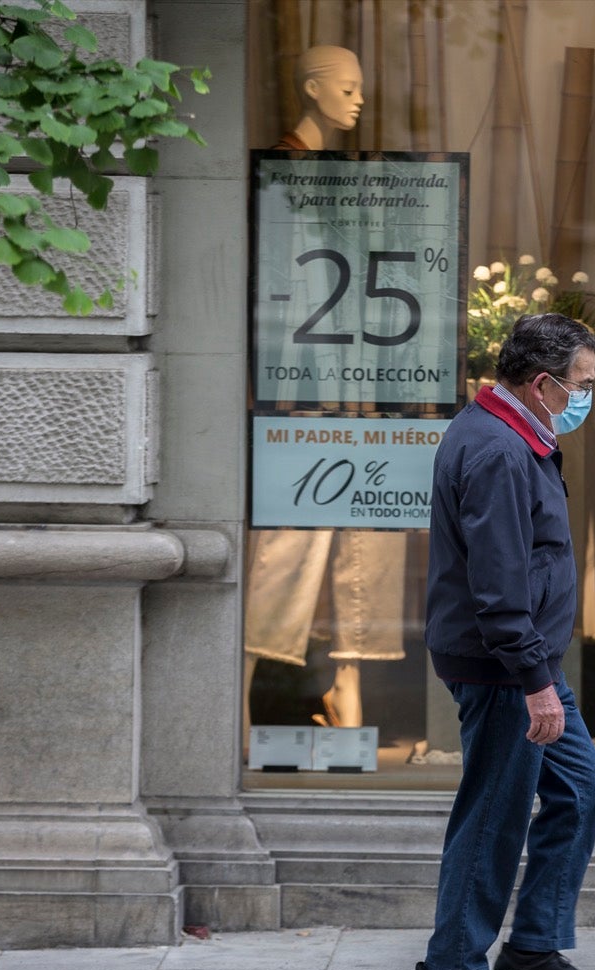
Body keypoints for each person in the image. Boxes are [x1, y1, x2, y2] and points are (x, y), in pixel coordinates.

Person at [405, 313, 595, 970]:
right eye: (580, 385)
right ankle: (450, 968)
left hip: (527, 661)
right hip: (505, 667)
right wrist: (533, 683)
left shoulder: (520, 435)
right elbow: (498, 585)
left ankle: (532, 946)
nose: (586, 397)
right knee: (495, 811)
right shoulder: (496, 449)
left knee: (580, 788)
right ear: (544, 382)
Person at [243, 44, 400, 753]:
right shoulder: (284, 170)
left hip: (350, 379)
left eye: (362, 87)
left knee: (363, 534)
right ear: (311, 89)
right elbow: (283, 287)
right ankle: (237, 696)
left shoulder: (336, 175)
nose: (359, 99)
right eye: (347, 86)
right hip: (303, 382)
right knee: (290, 538)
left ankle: (348, 692)